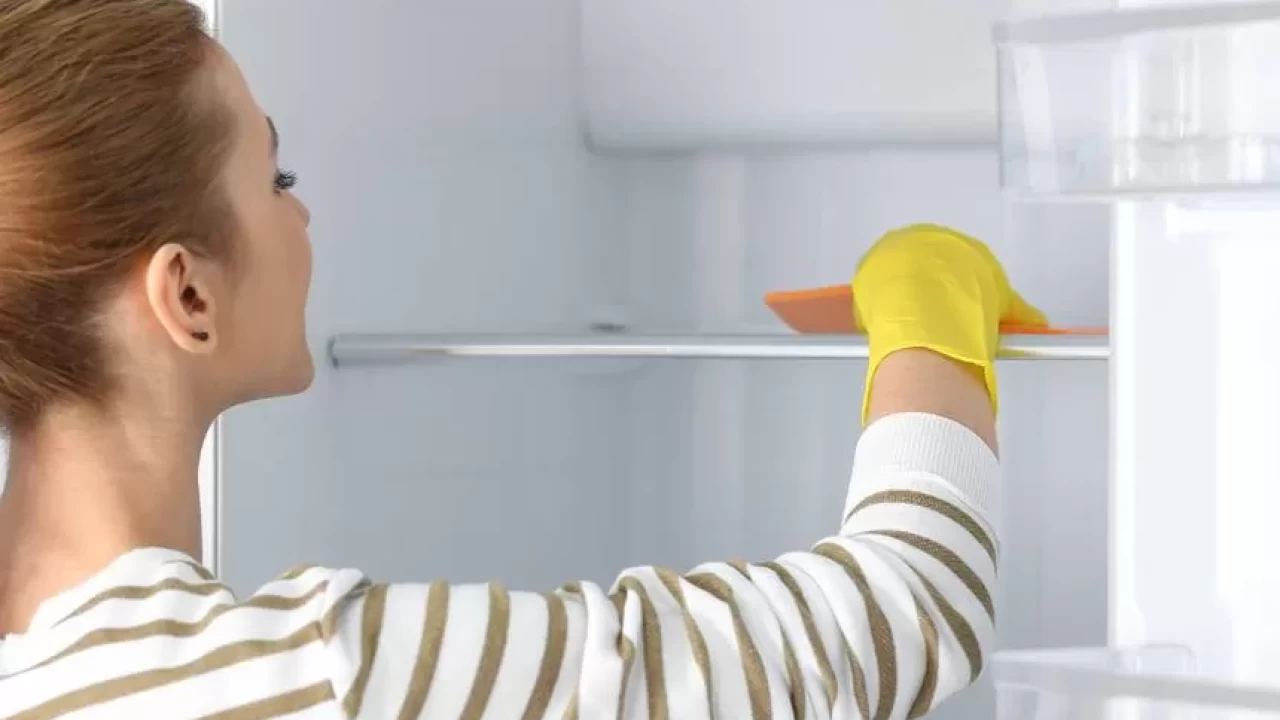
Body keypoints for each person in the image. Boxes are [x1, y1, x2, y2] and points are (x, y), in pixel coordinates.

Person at [0, 1, 1047, 718]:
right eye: (278, 177)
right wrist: (929, 308)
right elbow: (911, 612)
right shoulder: (312, 676)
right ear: (187, 295)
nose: (303, 215)